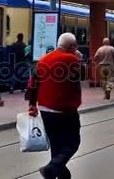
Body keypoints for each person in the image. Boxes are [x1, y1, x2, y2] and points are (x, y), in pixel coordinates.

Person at [27, 33, 82, 179]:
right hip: (65, 109)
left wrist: (32, 104)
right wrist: (78, 58)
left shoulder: (43, 60)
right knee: (73, 142)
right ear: (72, 47)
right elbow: (79, 78)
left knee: (56, 145)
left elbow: (32, 84)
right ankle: (50, 169)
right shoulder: (72, 59)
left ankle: (58, 174)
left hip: (45, 109)